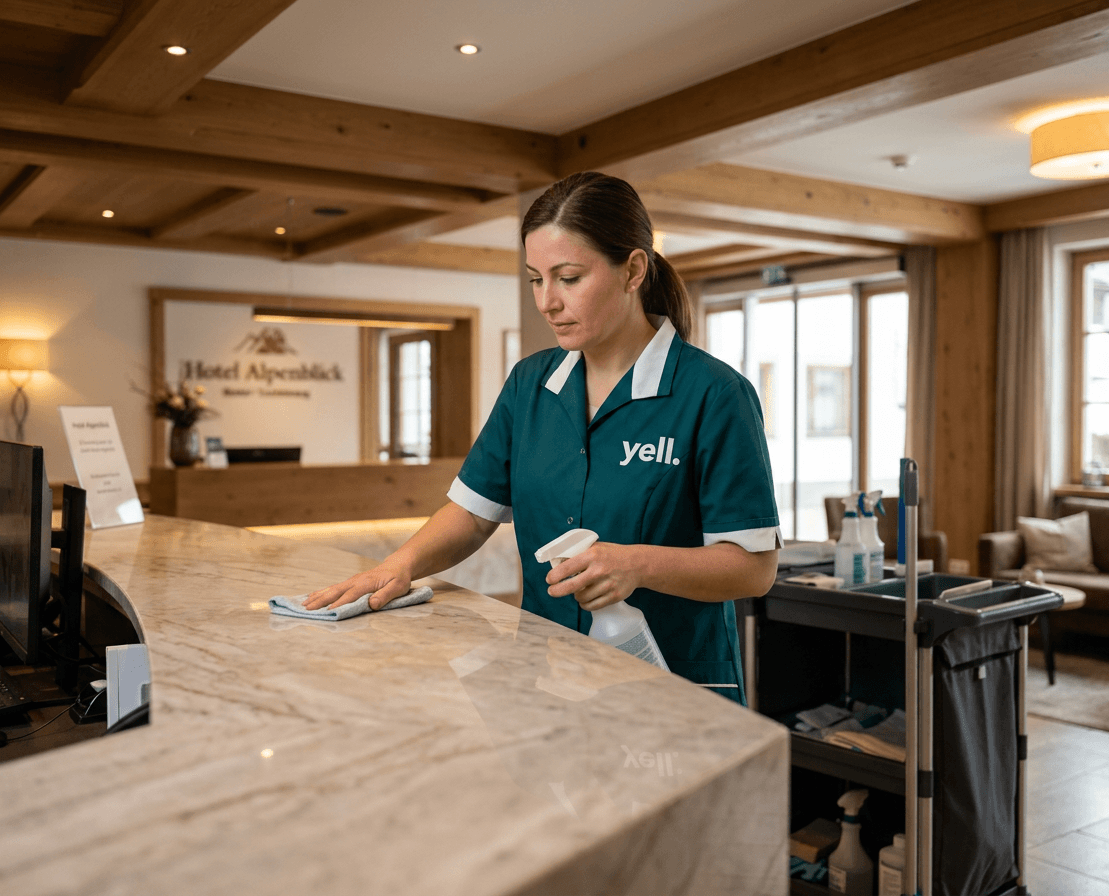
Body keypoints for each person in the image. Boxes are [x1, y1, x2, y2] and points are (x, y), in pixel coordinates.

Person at [305, 171, 781, 705]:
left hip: (675, 684)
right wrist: (397, 567)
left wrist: (635, 565)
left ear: (634, 270)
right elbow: (474, 512)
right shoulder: (530, 384)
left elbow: (754, 567)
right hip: (549, 675)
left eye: (569, 277)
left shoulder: (714, 395)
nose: (547, 301)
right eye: (535, 279)